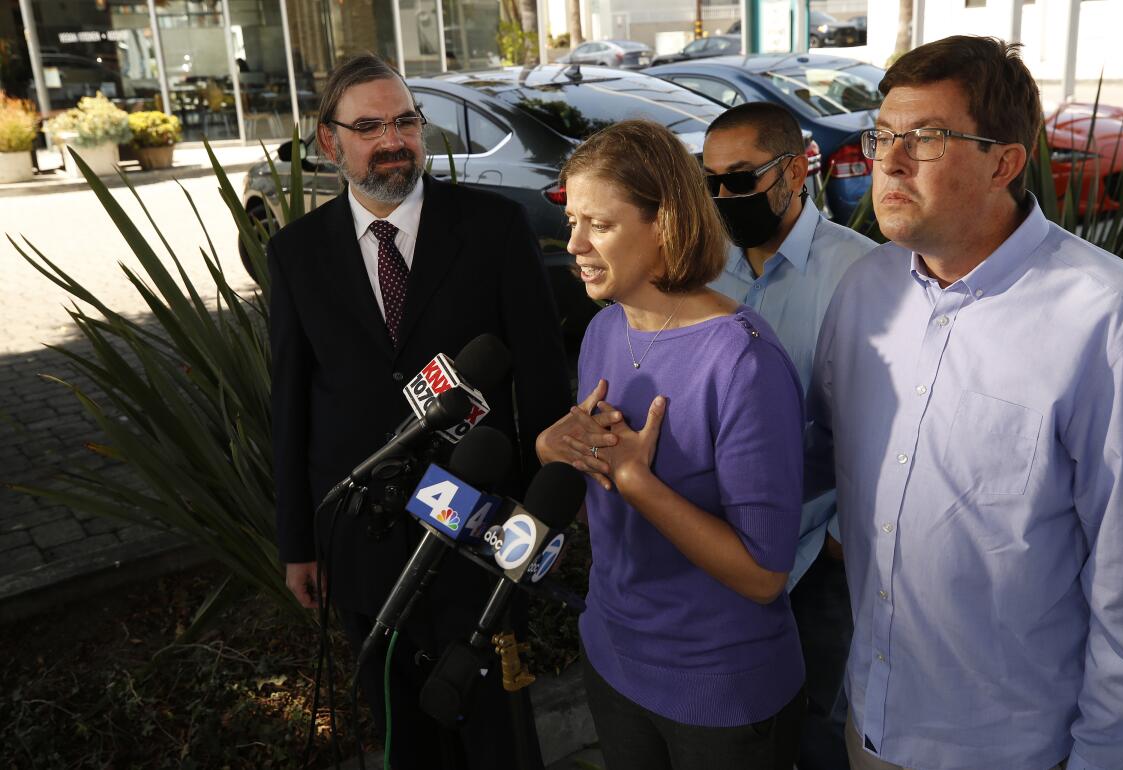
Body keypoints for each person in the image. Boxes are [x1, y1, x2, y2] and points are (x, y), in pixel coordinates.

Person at [806, 36, 1123, 770]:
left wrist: (1106, 759)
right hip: (872, 724)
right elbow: (819, 460)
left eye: (924, 139)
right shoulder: (863, 293)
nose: (887, 160)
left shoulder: (1107, 319)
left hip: (1011, 749)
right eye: (882, 135)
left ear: (1004, 161)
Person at [268, 53, 570, 769]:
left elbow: (546, 387)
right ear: (328, 142)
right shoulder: (295, 254)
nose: (394, 140)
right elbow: (290, 406)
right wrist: (298, 544)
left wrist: (535, 521)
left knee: (500, 739)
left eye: (405, 120)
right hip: (365, 549)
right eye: (370, 126)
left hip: (481, 534)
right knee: (407, 740)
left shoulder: (493, 229)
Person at [535, 119, 810, 770]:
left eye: (597, 224)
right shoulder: (602, 333)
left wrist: (640, 483)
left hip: (721, 699)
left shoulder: (742, 360)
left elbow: (764, 576)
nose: (573, 244)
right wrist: (555, 452)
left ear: (664, 225)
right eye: (571, 220)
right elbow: (596, 514)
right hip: (612, 663)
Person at [703, 102, 875, 767]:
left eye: (741, 178)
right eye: (711, 179)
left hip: (813, 554)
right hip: (719, 545)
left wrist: (838, 540)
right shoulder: (704, 264)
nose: (724, 195)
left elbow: (879, 422)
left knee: (820, 725)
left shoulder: (861, 274)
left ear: (796, 170)